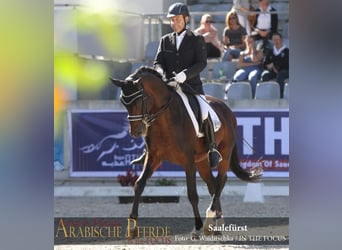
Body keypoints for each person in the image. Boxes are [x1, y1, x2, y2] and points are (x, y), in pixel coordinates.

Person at [130, 2, 222, 168]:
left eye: (177, 19)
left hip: (191, 88)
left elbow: (201, 63)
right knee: (150, 111)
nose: (174, 22)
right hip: (169, 88)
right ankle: (147, 150)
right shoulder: (165, 40)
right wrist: (163, 74)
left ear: (186, 19)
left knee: (205, 112)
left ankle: (212, 148)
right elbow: (158, 62)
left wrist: (185, 75)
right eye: (172, 20)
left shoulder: (196, 39)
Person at [260, 32, 289, 98]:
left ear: (281, 40)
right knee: (265, 76)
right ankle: (267, 96)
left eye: (277, 39)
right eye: (274, 39)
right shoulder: (270, 51)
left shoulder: (287, 51)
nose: (276, 41)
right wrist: (269, 66)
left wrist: (275, 65)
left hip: (284, 70)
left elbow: (286, 63)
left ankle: (280, 96)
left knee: (280, 76)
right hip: (273, 71)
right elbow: (265, 63)